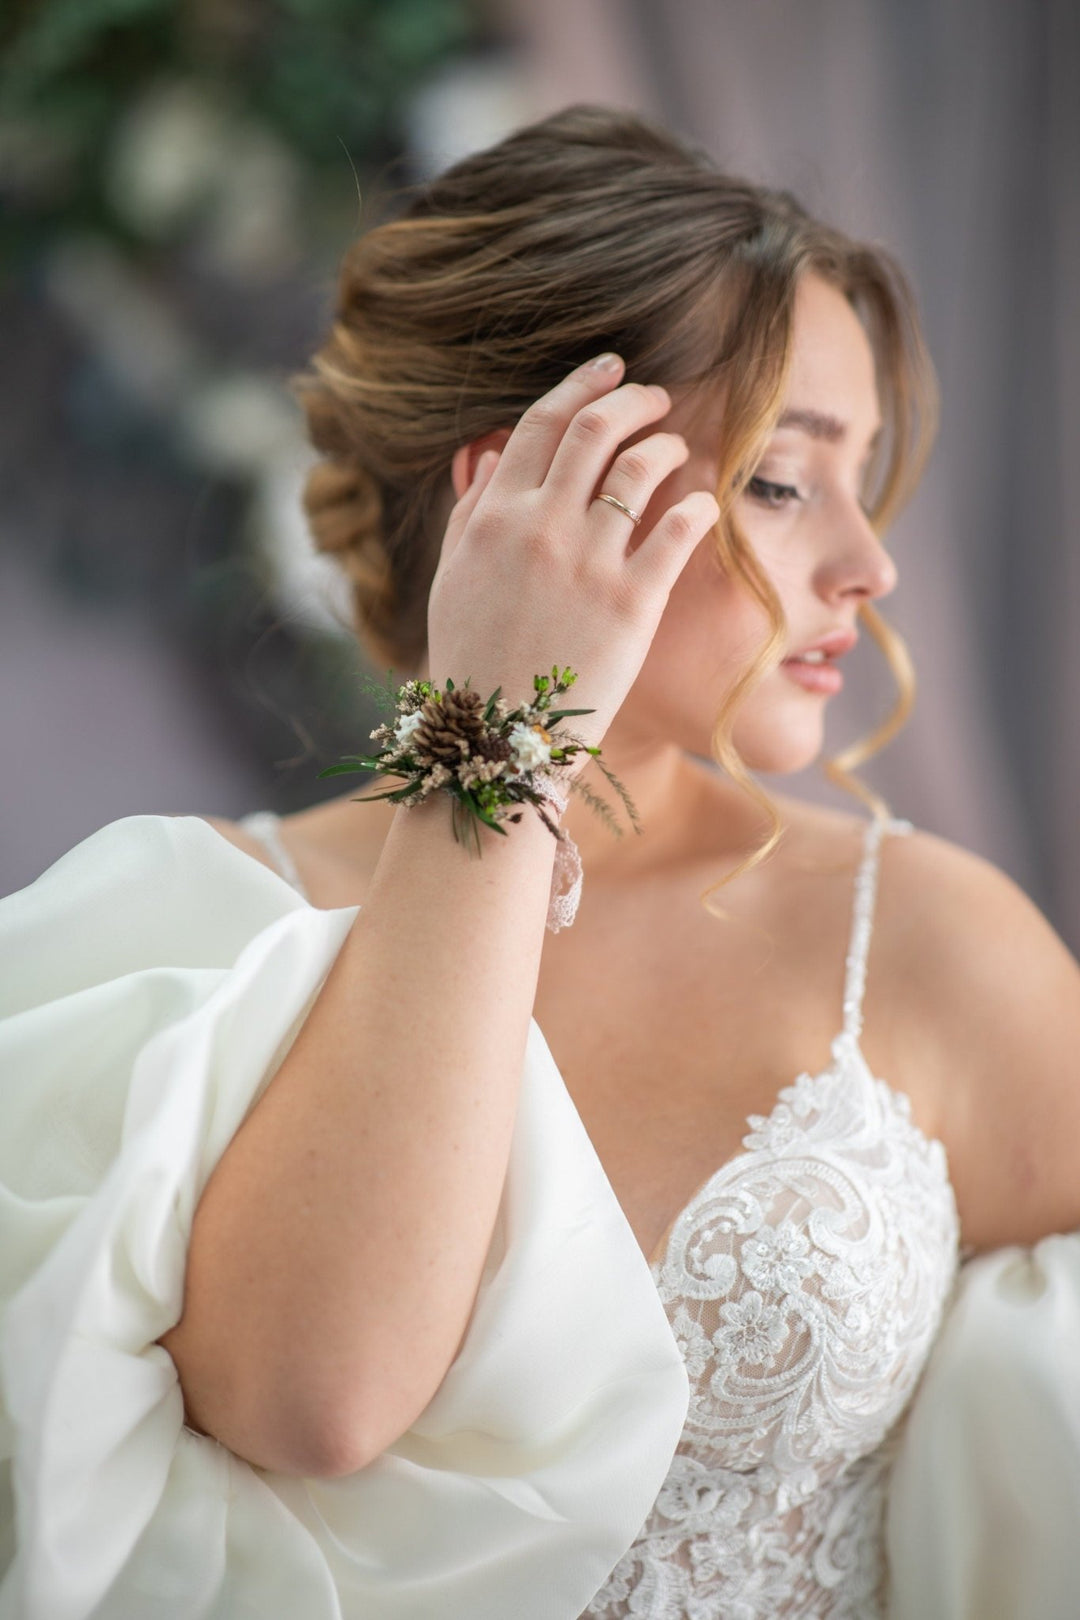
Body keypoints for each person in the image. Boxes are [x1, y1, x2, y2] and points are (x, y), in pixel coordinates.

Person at [2, 105, 1080, 1620]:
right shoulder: (186, 931)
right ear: (526, 492)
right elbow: (319, 1401)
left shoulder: (926, 942)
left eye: (866, 475)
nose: (869, 561)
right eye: (785, 480)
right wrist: (505, 742)